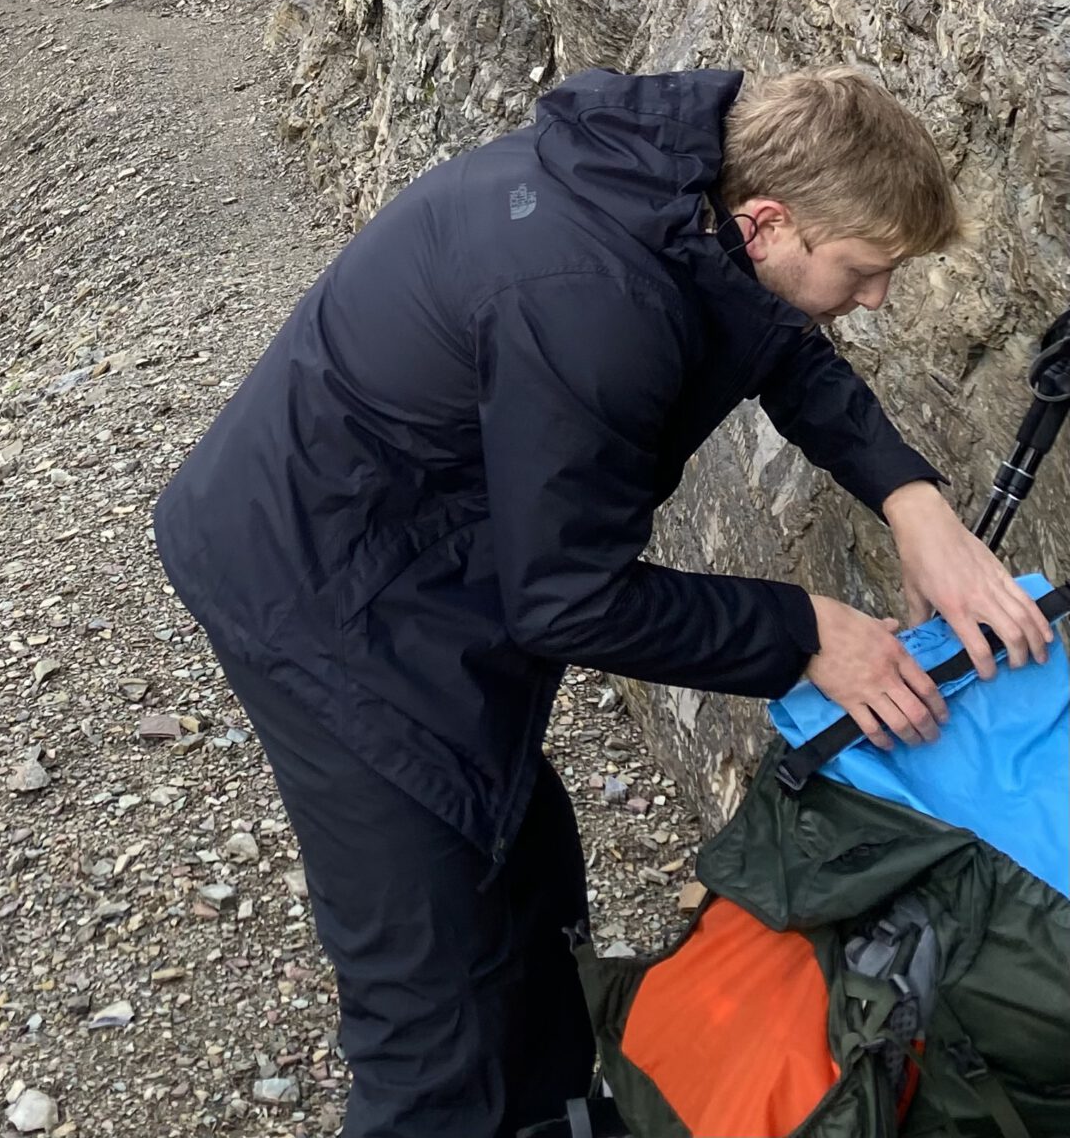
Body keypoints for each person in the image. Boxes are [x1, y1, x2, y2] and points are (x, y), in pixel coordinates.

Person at [151, 66, 1056, 1138]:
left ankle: (549, 1115)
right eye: (865, 270)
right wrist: (807, 633)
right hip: (320, 593)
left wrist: (915, 504)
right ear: (769, 222)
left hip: (415, 549)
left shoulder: (677, 184)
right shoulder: (592, 301)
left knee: (528, 866)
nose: (877, 299)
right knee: (432, 996)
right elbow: (571, 602)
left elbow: (776, 344)